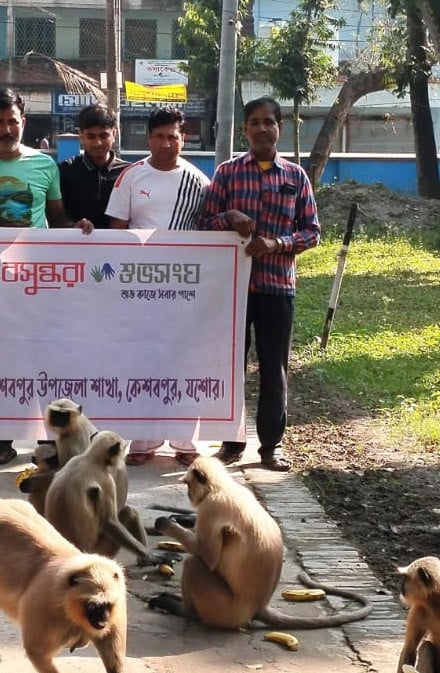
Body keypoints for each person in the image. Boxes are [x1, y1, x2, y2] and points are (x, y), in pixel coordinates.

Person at [0, 88, 93, 465]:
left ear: (23, 122)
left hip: (38, 281)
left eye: (12, 120)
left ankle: (48, 437)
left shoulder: (45, 166)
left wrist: (75, 226)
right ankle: (2, 438)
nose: (6, 128)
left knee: (45, 353)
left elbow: (57, 218)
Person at [198, 96, 321, 472]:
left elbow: (312, 233)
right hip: (232, 291)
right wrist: (229, 216)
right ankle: (232, 441)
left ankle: (271, 447)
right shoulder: (228, 173)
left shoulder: (295, 177)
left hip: (276, 288)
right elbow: (204, 223)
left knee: (273, 367)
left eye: (269, 121)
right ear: (245, 129)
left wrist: (275, 244)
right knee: (230, 365)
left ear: (280, 127)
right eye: (255, 121)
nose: (262, 128)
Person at [105, 106, 210, 467]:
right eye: (160, 136)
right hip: (139, 289)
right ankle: (143, 438)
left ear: (183, 138)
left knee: (183, 360)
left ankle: (185, 441)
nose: (167, 143)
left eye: (174, 136)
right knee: (142, 359)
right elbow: (115, 232)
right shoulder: (131, 178)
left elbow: (211, 237)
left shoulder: (199, 182)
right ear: (148, 138)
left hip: (184, 291)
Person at [58, 104, 128, 230]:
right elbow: (56, 216)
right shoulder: (65, 170)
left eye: (103, 135)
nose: (98, 143)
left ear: (114, 134)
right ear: (81, 135)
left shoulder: (127, 173)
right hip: (75, 246)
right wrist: (73, 226)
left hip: (118, 248)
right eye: (91, 136)